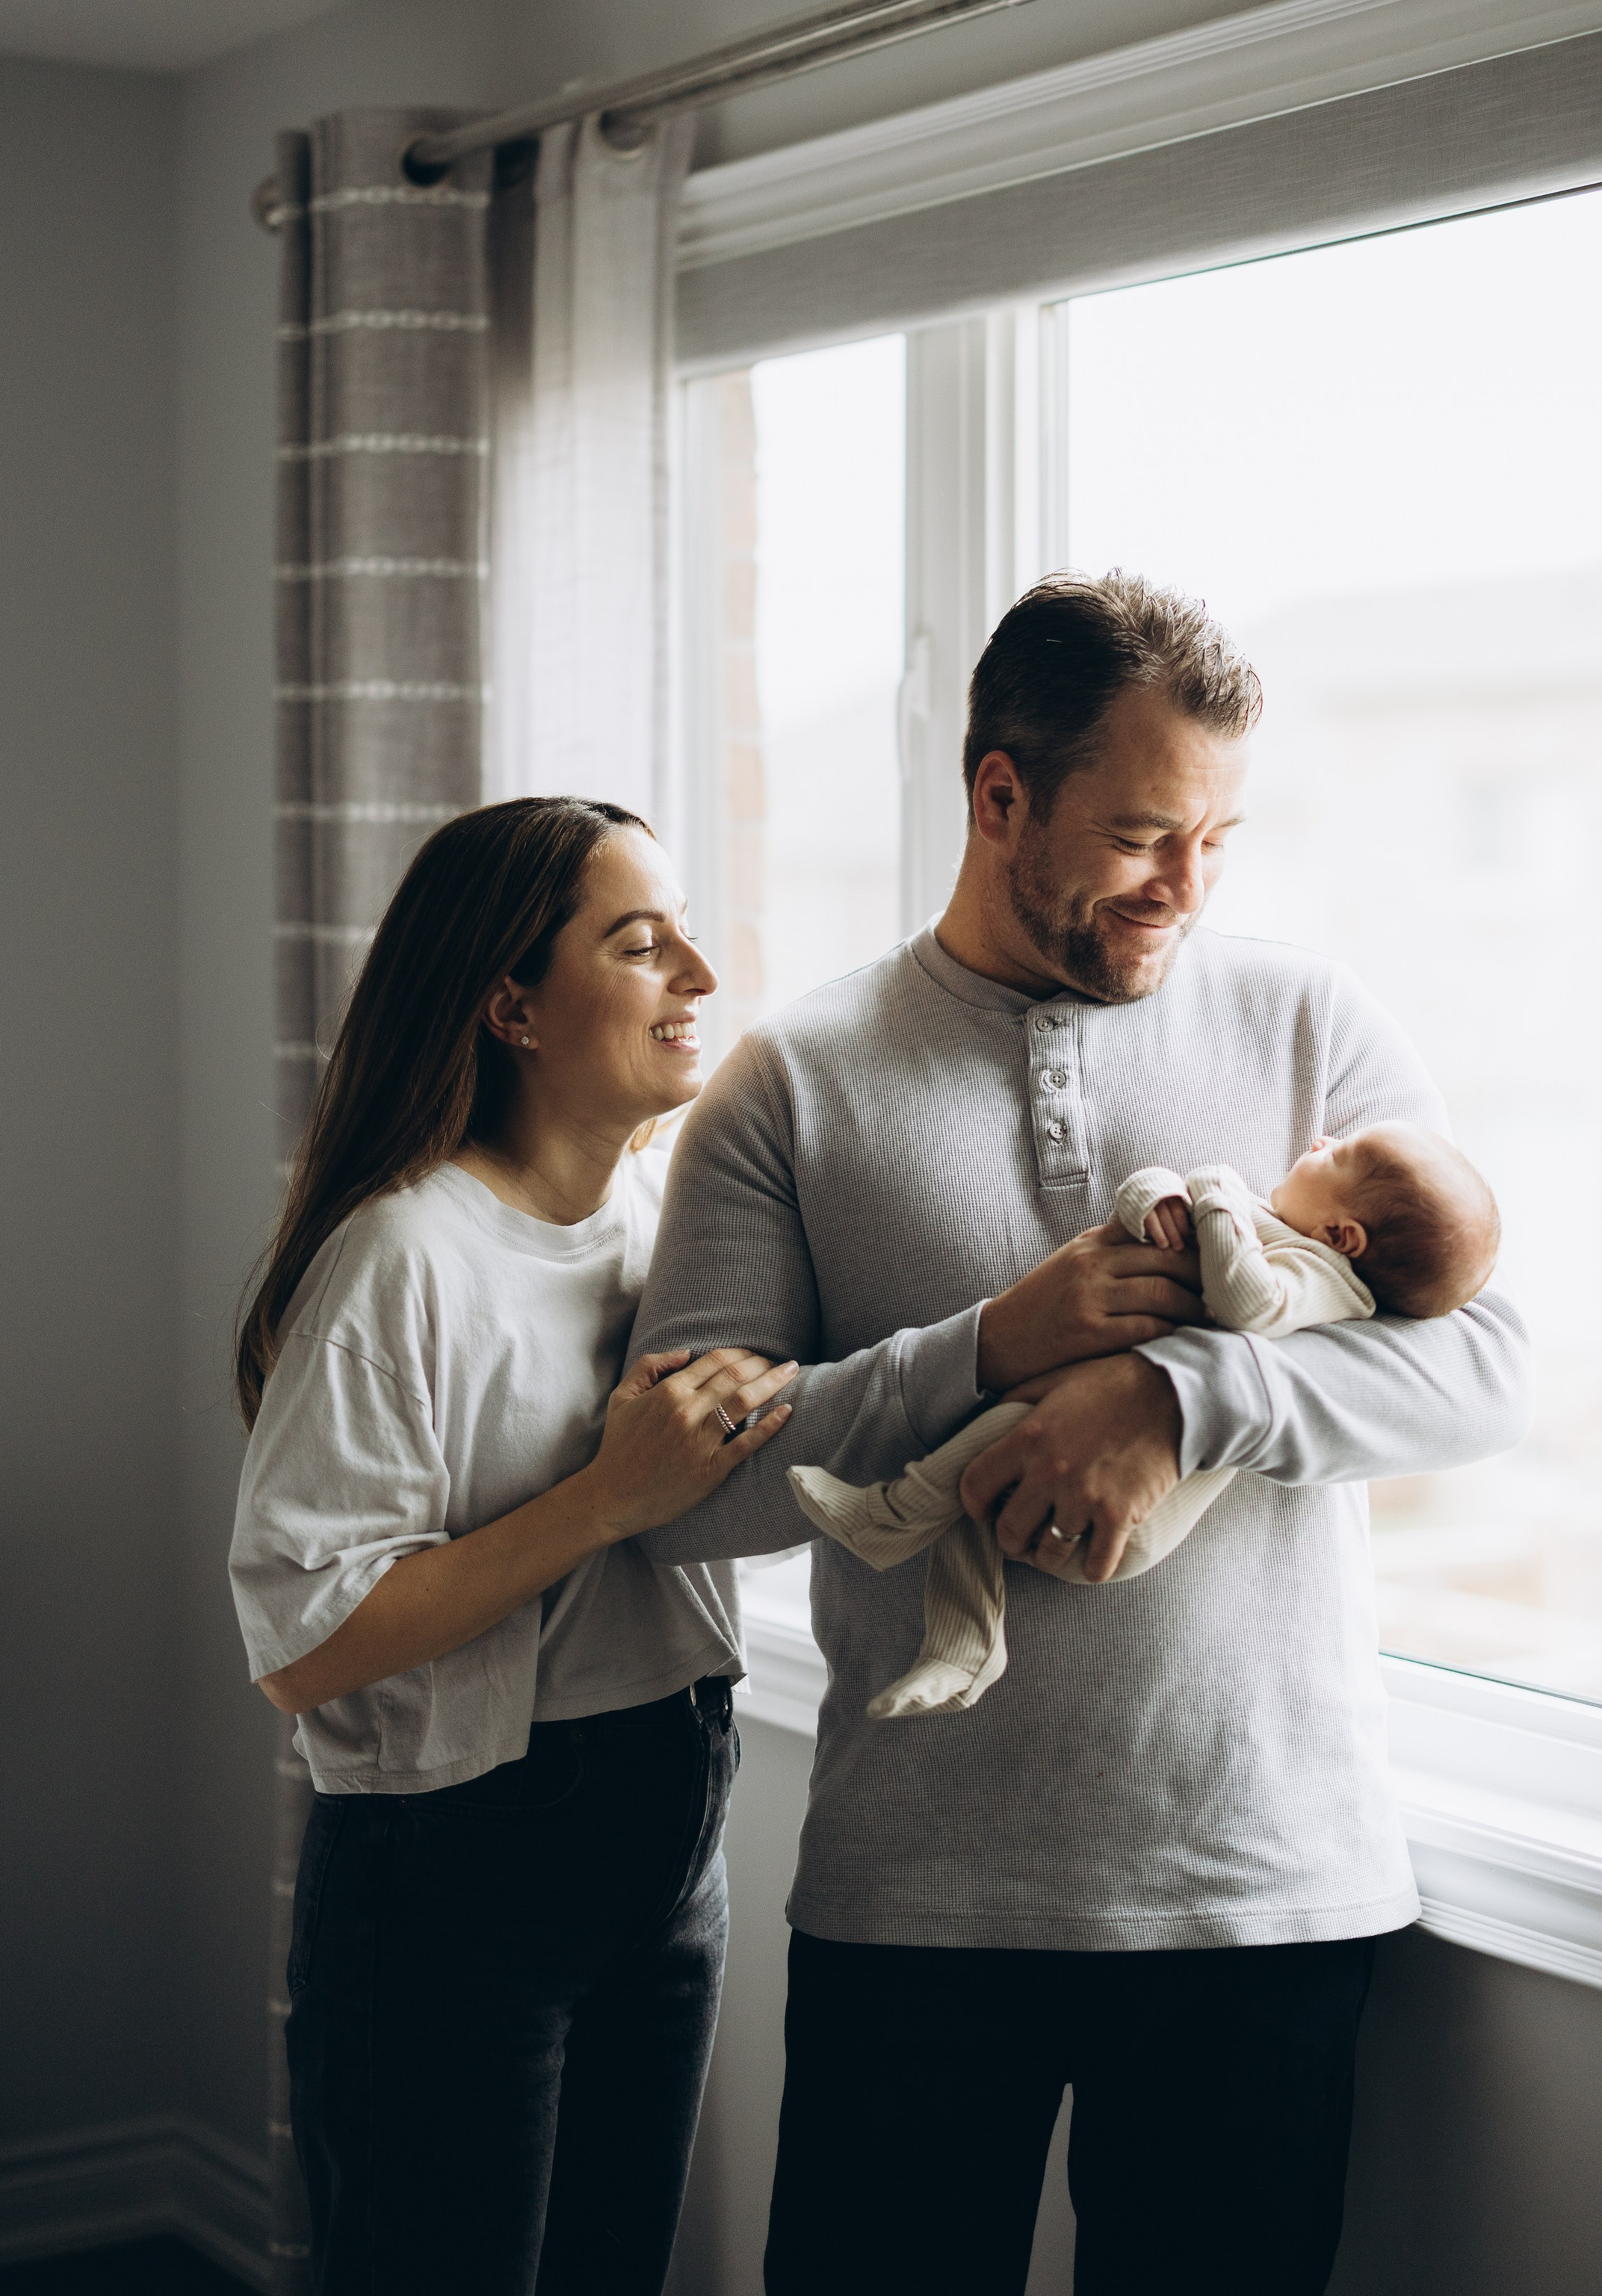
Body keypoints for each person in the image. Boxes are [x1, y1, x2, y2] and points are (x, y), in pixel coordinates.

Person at [635, 572, 1531, 2296]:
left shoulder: (1304, 1020)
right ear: (997, 797)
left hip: (1261, 1887)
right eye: (1138, 834)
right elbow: (685, 1489)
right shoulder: (795, 1077)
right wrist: (988, 1344)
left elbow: (1483, 1366)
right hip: (917, 1899)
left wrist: (1173, 1393)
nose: (1186, 887)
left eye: (1215, 835)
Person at [227, 797, 795, 2296]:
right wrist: (604, 1498)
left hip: (669, 1831)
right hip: (456, 1877)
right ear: (511, 1006)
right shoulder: (401, 1256)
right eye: (638, 940)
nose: (697, 972)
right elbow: (300, 1644)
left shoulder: (663, 1228)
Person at [789, 1125, 1501, 1718]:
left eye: (1337, 1155)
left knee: (991, 1456)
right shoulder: (1286, 1231)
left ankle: (894, 1519)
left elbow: (1246, 1303)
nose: (1321, 1137)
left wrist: (1216, 1190)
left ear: (1345, 1236)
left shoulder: (1325, 1280)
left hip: (1127, 1515)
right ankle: (959, 1649)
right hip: (1071, 1450)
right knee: (987, 1478)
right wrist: (1157, 1194)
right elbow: (1165, 1208)